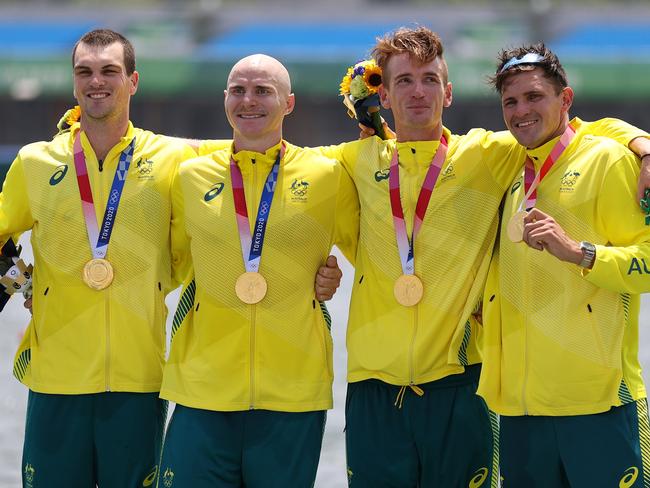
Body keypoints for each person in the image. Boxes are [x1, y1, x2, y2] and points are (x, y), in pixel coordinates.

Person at [304, 27, 650, 487]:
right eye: (404, 81)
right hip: (373, 384)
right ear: (383, 95)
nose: (418, 91)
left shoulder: (489, 154)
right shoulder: (352, 161)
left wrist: (642, 144)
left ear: (448, 92)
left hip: (464, 383)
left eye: (429, 79)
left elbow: (573, 131)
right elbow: (267, 160)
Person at [0, 29, 199, 488]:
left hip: (139, 378)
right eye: (84, 72)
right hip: (55, 380)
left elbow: (262, 161)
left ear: (133, 81)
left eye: (110, 70)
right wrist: (25, 283)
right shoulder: (35, 162)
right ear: (73, 84)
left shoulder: (173, 157)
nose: (97, 81)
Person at [156, 54, 359, 487]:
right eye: (239, 90)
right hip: (202, 390)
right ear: (224, 99)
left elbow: (376, 256)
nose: (249, 100)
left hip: (293, 392)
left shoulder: (327, 176)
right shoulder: (189, 178)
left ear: (289, 103)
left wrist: (330, 276)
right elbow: (164, 268)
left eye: (263, 90)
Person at [477, 44, 650, 488]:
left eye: (534, 97)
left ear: (565, 101)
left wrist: (581, 252)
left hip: (597, 403)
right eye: (510, 102)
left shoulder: (607, 160)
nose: (521, 111)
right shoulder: (512, 169)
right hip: (518, 408)